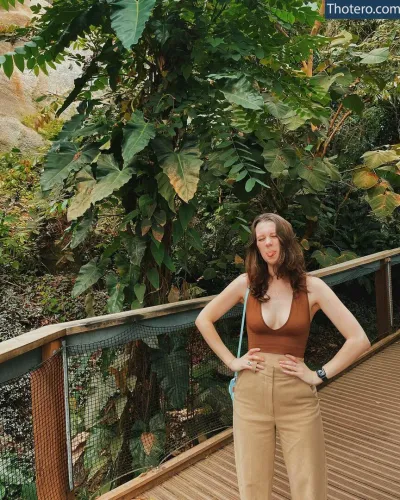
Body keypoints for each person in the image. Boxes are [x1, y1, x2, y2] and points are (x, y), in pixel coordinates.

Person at [195, 212, 371, 500]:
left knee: (309, 484)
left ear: (286, 240)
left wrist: (319, 374)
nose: (267, 244)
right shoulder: (246, 284)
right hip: (251, 395)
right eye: (261, 239)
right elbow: (204, 319)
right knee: (252, 485)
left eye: (273, 236)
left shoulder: (311, 287)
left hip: (297, 397)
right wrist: (232, 361)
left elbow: (359, 339)